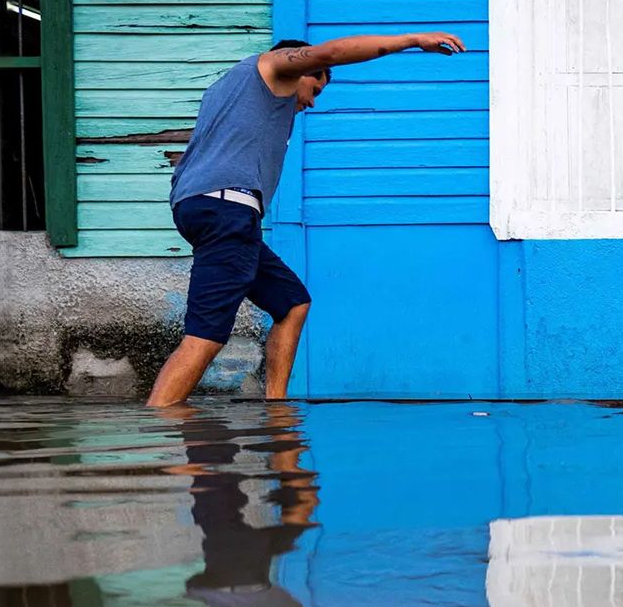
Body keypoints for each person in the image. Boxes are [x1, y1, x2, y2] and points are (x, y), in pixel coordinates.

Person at [146, 32, 467, 407]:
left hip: (208, 208)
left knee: (291, 302)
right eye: (315, 87)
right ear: (298, 67)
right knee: (206, 335)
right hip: (226, 209)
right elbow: (330, 52)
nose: (313, 102)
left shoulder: (229, 87)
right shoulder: (269, 67)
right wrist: (412, 40)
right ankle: (161, 430)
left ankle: (276, 408)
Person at [169, 403, 473, 607]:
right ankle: (276, 432)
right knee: (303, 505)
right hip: (247, 574)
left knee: (217, 489)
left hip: (238, 575)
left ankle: (198, 429)